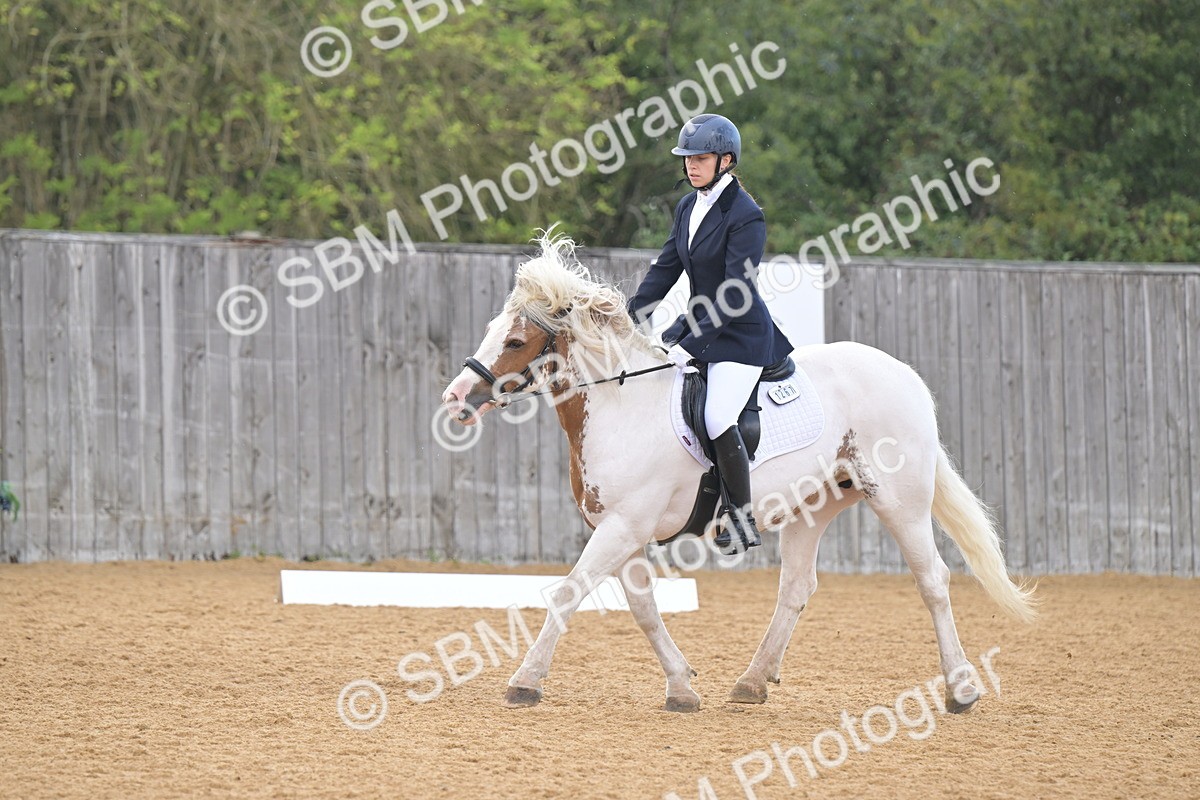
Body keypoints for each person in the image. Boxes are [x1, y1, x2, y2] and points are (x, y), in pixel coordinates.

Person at [627, 113, 793, 553]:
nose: (691, 166)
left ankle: (740, 519)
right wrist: (631, 320)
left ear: (726, 160)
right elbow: (666, 268)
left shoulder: (746, 215)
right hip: (701, 324)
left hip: (740, 336)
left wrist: (688, 343)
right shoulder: (687, 206)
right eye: (686, 158)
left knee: (718, 416)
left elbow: (735, 291)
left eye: (700, 158)